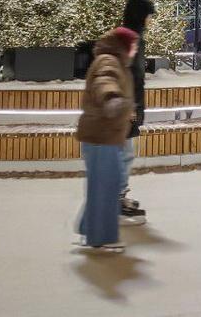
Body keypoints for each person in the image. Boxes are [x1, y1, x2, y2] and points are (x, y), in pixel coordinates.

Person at [75, 27, 139, 253]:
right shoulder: (108, 60)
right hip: (101, 134)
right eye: (134, 45)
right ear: (124, 45)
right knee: (105, 186)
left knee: (102, 184)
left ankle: (87, 228)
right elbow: (104, 81)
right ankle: (100, 238)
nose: (136, 49)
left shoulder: (116, 61)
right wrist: (112, 99)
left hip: (105, 134)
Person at [118, 0, 155, 226]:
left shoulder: (132, 36)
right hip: (125, 106)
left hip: (128, 103)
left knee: (125, 153)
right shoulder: (130, 38)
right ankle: (117, 202)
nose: (150, 20)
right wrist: (130, 104)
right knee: (124, 154)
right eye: (149, 15)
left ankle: (118, 198)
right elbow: (129, 73)